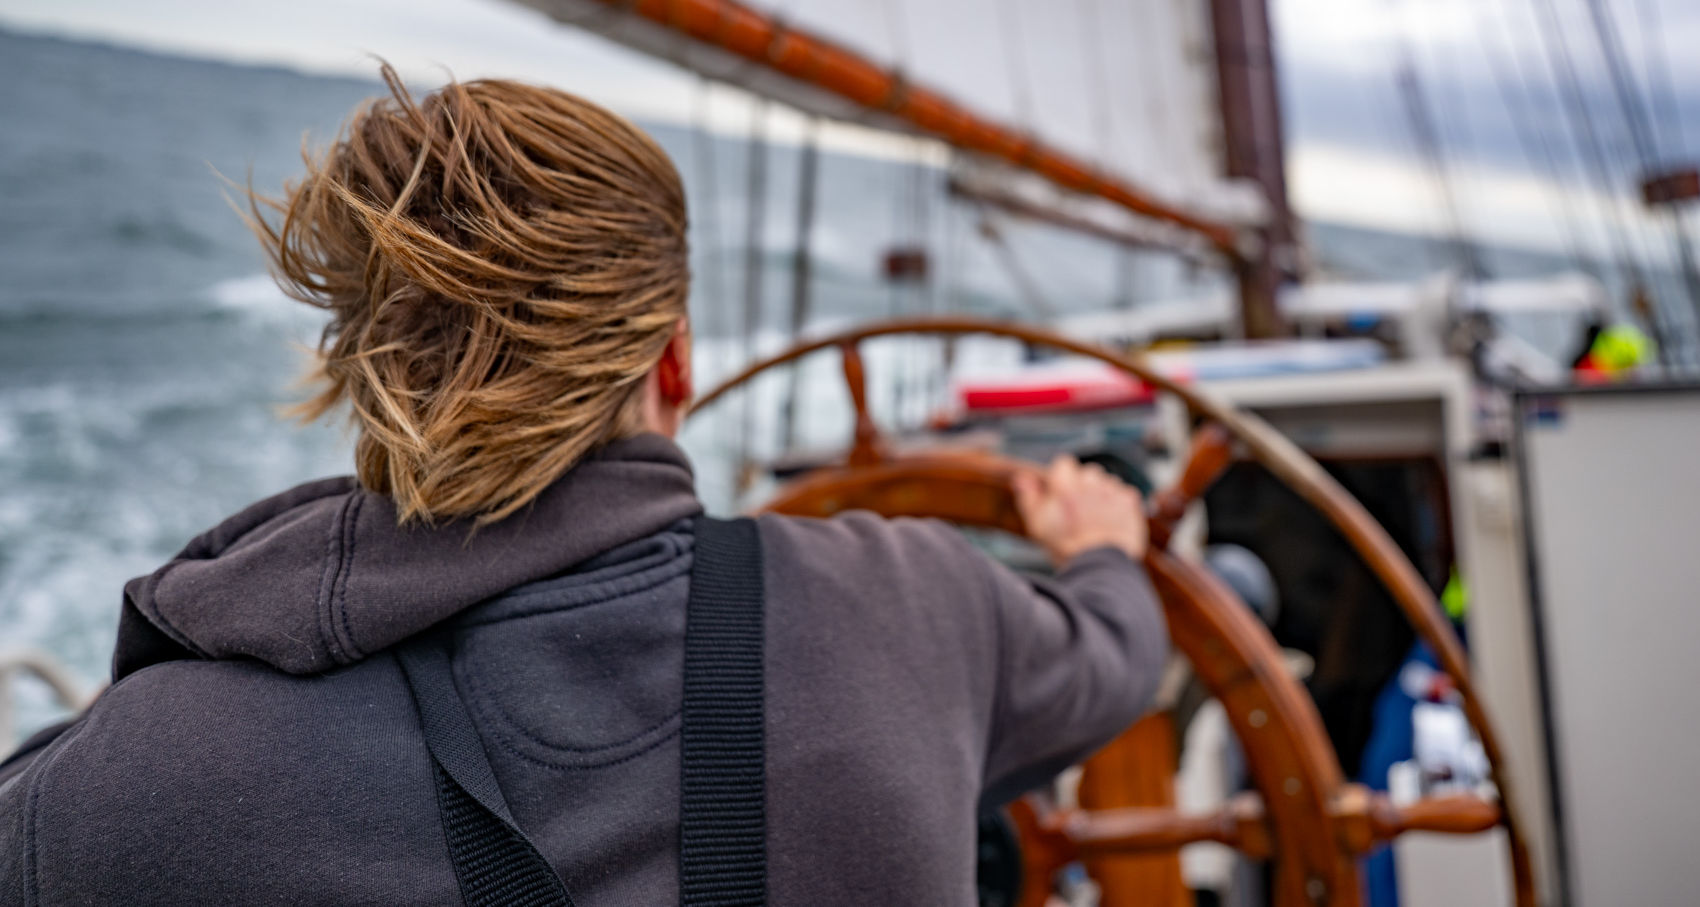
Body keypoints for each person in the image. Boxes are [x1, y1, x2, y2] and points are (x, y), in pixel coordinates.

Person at [0, 73, 1166, 905]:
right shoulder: (916, 608)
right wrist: (1103, 543)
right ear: (675, 360)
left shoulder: (134, 789)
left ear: (355, 364)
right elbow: (1117, 656)